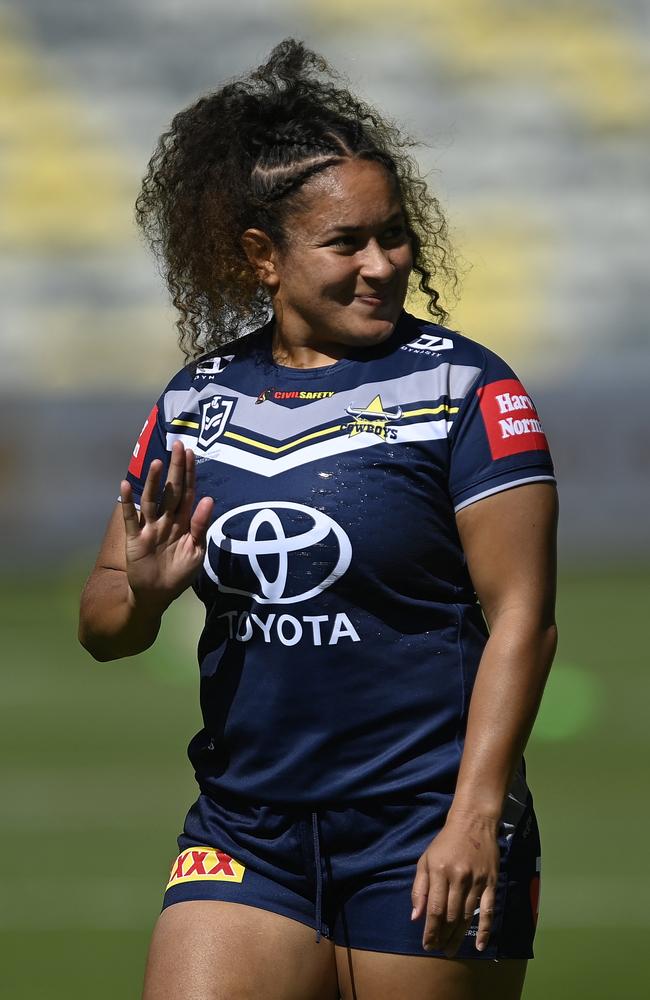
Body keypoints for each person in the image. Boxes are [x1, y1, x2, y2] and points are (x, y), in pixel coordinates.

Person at [78, 38, 558, 1000]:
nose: (383, 264)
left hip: (423, 825)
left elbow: (523, 621)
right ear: (264, 257)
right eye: (348, 243)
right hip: (246, 828)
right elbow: (104, 625)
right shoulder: (194, 402)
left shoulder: (466, 385)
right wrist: (143, 589)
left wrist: (473, 817)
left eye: (394, 235)